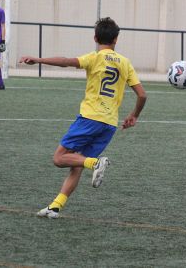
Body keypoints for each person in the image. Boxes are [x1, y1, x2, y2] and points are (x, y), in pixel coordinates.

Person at [19, 17, 147, 219]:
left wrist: (39, 60)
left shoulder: (94, 58)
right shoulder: (125, 63)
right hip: (109, 124)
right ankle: (55, 207)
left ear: (95, 38)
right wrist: (134, 115)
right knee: (76, 164)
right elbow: (142, 94)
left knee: (59, 158)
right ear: (116, 40)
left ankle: (95, 163)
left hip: (89, 119)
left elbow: (66, 62)